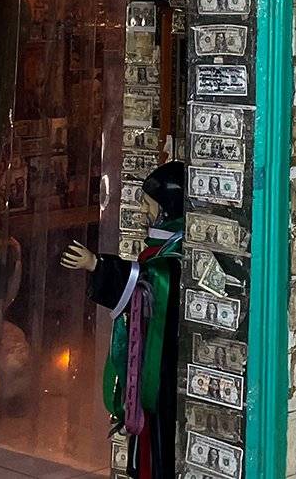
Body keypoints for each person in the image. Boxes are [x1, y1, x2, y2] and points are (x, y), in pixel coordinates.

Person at [61, 161, 184, 479]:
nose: (143, 210)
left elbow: (148, 281)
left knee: (159, 442)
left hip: (165, 370)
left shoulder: (174, 256)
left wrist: (97, 265)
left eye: (147, 203)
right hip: (153, 364)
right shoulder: (161, 249)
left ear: (166, 208)